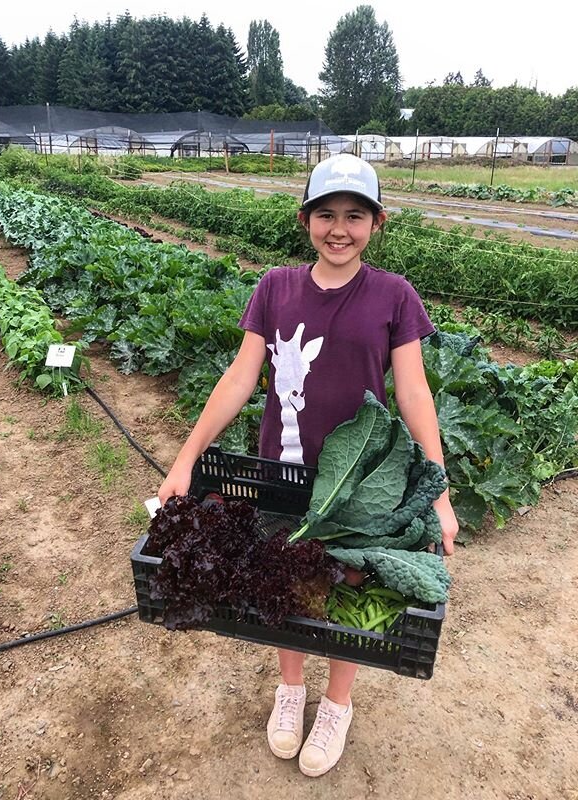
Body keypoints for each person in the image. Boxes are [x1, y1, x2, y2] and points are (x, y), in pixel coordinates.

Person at [158, 153, 459, 778]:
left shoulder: (393, 296)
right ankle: (291, 690)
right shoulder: (275, 288)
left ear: (376, 223)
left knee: (350, 585)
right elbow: (243, 376)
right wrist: (187, 457)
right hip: (283, 472)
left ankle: (337, 703)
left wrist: (439, 491)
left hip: (362, 483)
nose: (339, 228)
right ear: (306, 221)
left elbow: (413, 392)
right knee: (288, 583)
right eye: (326, 214)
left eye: (355, 215)